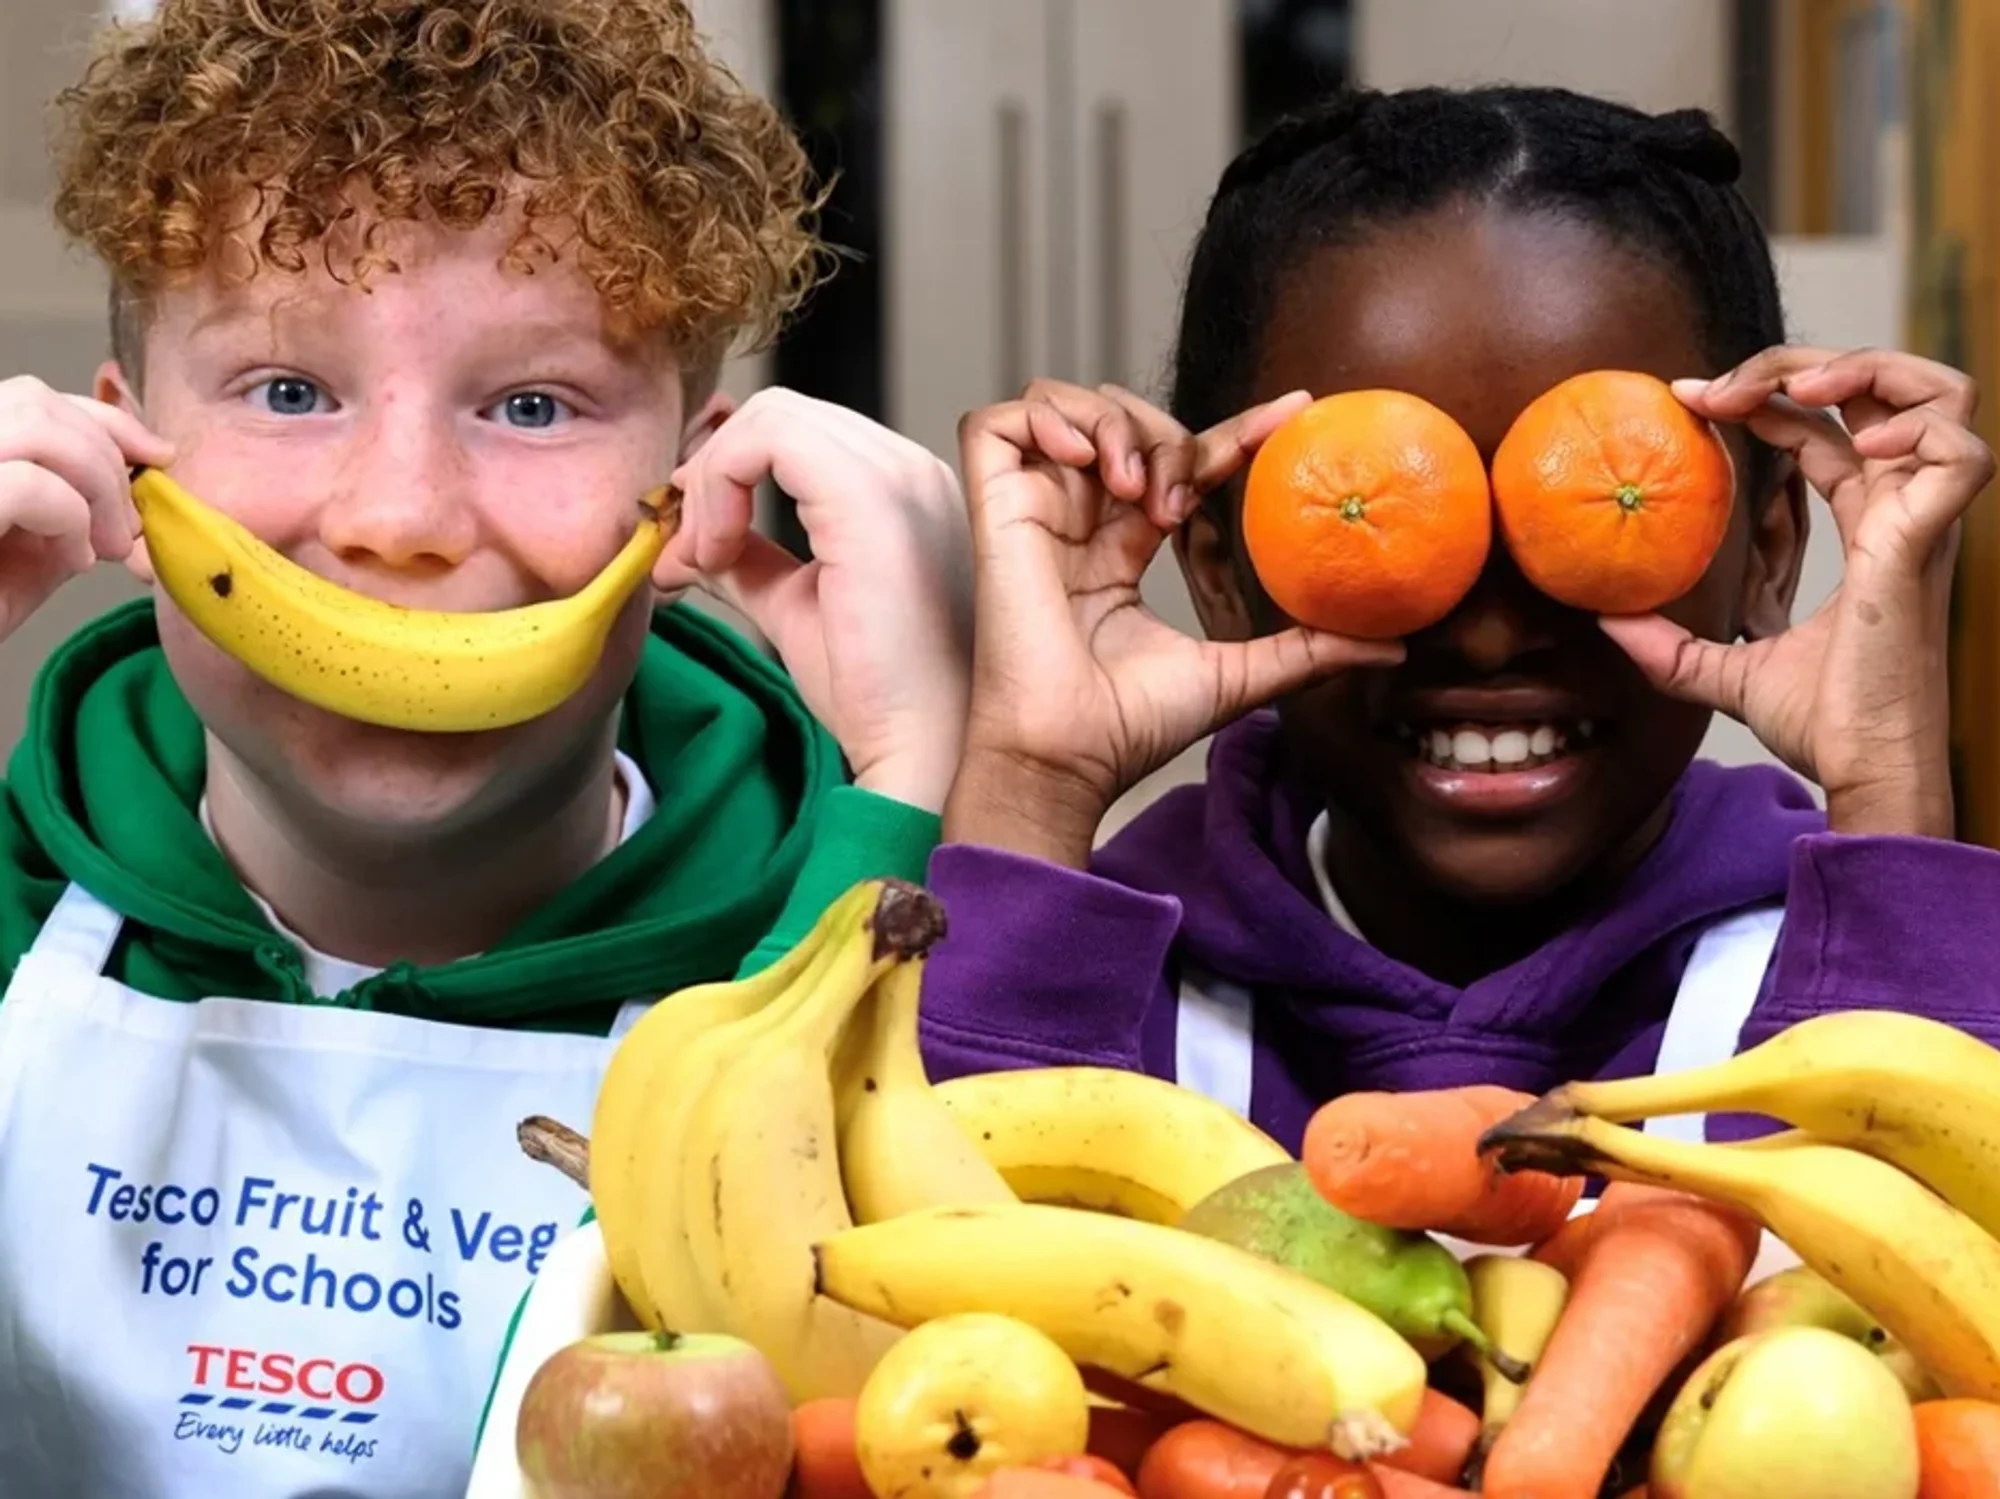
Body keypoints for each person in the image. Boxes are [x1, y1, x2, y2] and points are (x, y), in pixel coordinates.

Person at [0, 1, 969, 1493]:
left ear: (693, 488)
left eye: (531, 404)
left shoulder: (887, 952)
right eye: (287, 389)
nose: (402, 518)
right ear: (123, 455)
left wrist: (909, 780)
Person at [919, 84, 2000, 1156]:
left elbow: (1928, 1249)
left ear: (1763, 551)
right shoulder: (1089, 965)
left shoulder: (1873, 955)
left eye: (1574, 523)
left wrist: (1889, 788)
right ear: (1221, 570)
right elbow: (952, 1235)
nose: (1491, 636)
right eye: (1399, 522)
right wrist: (1031, 781)